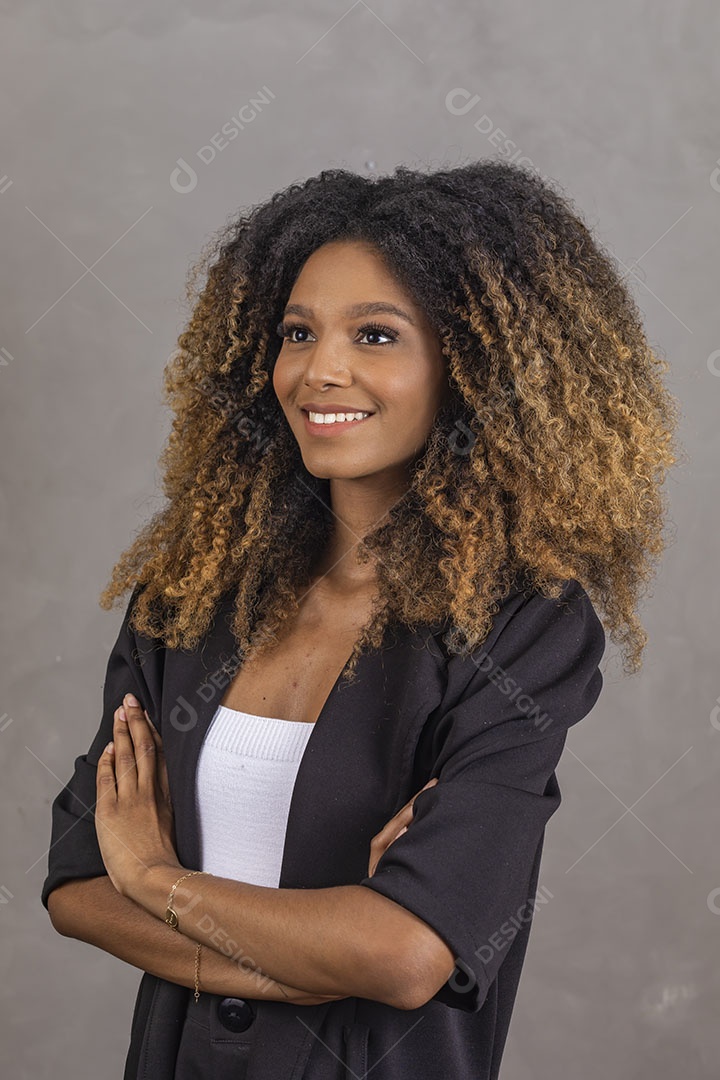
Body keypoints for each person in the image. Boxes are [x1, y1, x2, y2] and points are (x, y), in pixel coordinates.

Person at [41, 159, 680, 1079]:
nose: (319, 370)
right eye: (297, 332)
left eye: (376, 335)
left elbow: (406, 952)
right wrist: (298, 966)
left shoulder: (523, 628)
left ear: (473, 370)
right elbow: (75, 883)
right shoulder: (191, 594)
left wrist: (157, 881)